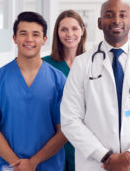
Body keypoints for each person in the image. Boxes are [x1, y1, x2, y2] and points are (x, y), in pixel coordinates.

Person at [61, 0, 130, 171]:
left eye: (122, 15)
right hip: (97, 164)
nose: (116, 20)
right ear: (99, 22)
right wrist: (105, 157)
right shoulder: (82, 64)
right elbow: (70, 119)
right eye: (109, 15)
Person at [0, 11, 67, 171]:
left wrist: (33, 162)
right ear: (14, 38)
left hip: (48, 165)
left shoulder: (58, 80)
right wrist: (17, 163)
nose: (29, 39)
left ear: (44, 40)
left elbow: (64, 131)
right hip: (9, 166)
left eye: (35, 34)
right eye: (23, 33)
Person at [43, 9, 87, 171]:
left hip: (83, 138)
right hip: (52, 137)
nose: (70, 34)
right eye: (64, 29)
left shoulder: (92, 63)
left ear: (82, 31)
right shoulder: (44, 65)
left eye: (74, 28)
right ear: (57, 33)